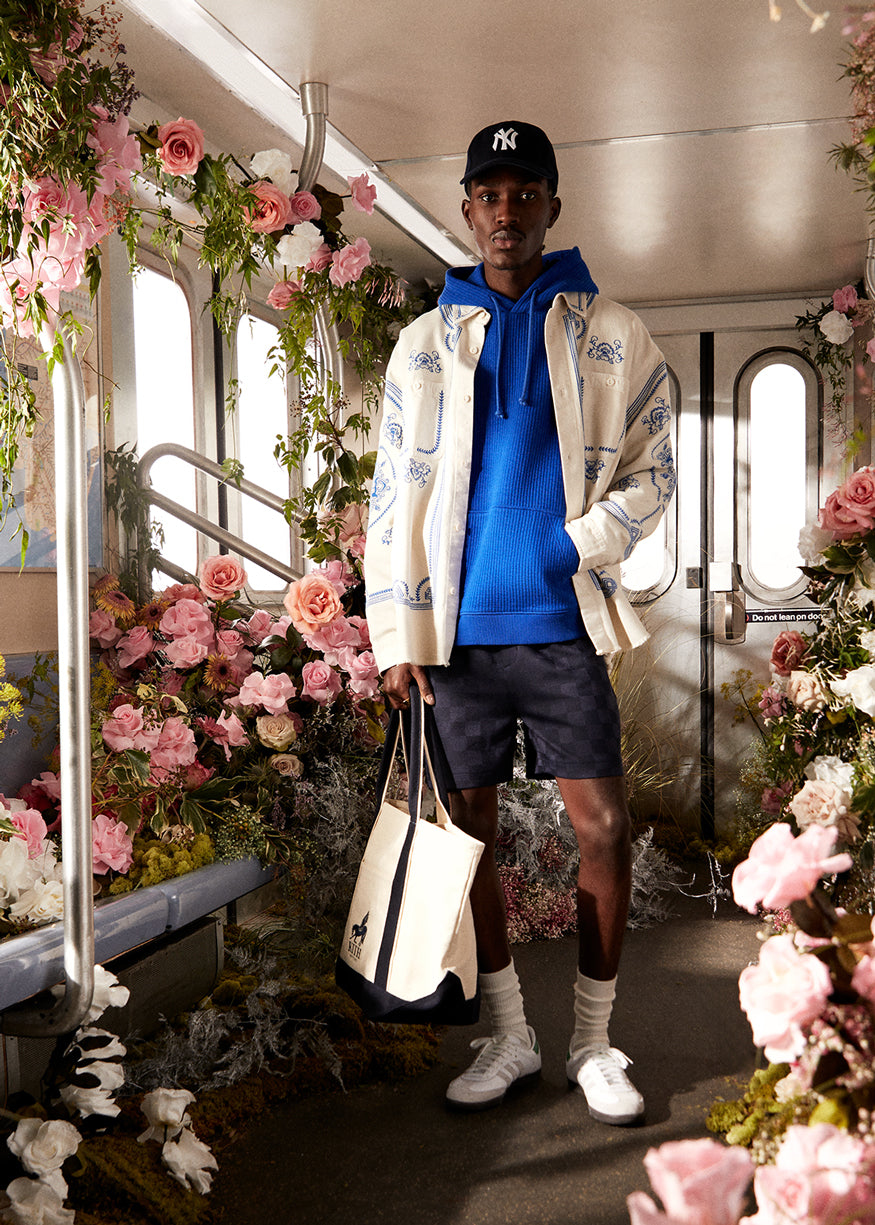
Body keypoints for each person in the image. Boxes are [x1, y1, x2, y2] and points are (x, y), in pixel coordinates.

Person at [363, 120, 675, 1123]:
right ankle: (508, 1035)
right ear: (467, 210)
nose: (506, 211)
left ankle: (592, 1042)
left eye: (524, 192)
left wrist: (574, 544)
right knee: (468, 839)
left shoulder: (612, 331)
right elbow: (387, 499)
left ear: (551, 205)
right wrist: (391, 638)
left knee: (604, 828)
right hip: (453, 643)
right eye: (488, 195)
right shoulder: (422, 346)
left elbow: (655, 467)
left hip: (561, 627)